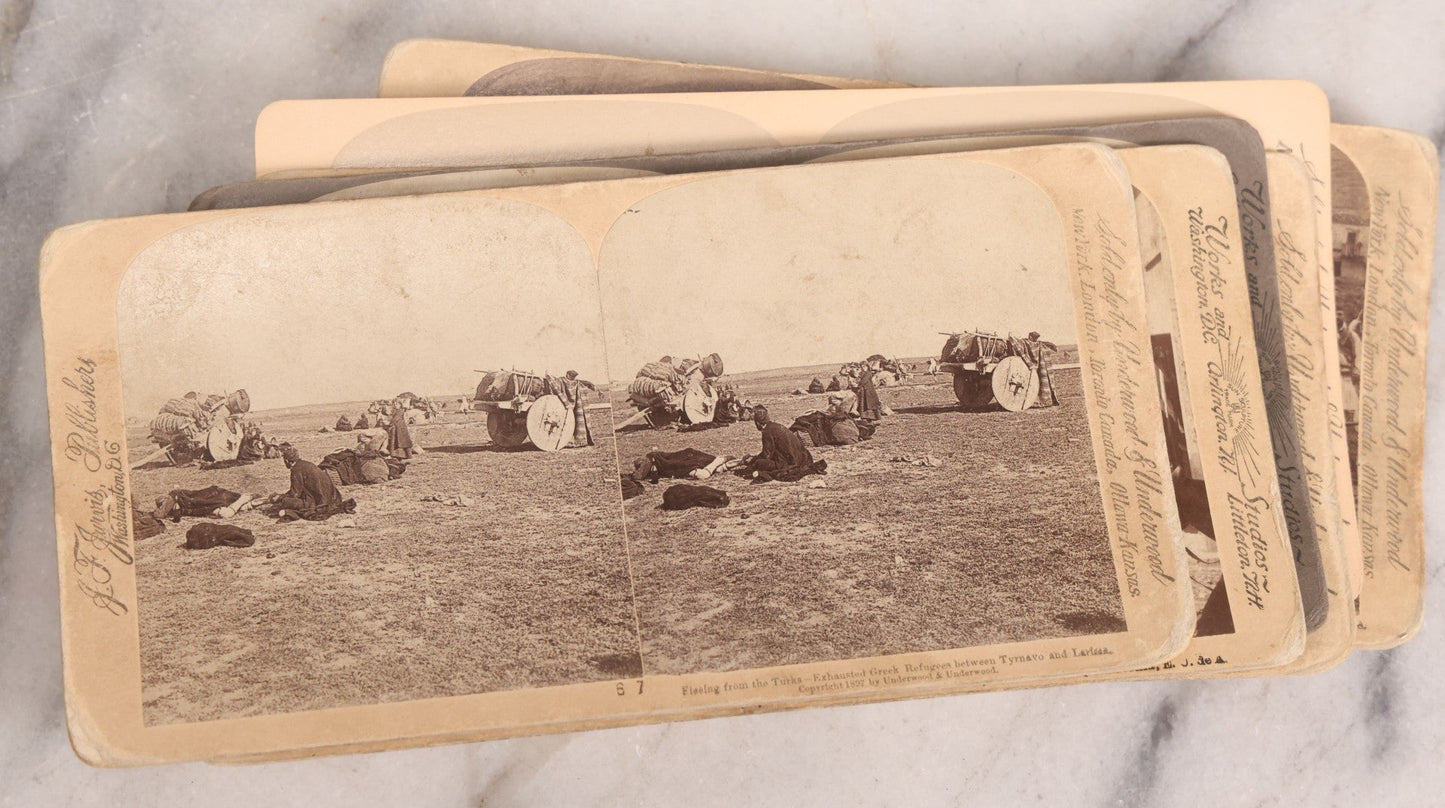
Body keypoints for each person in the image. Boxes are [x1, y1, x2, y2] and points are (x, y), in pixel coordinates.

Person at [273, 444, 354, 521]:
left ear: (287, 460)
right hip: (332, 498)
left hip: (319, 502)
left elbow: (295, 493)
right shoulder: (306, 464)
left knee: (285, 502)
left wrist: (281, 497)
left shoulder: (296, 469)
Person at [745, 406, 826, 481]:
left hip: (792, 463)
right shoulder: (775, 426)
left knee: (759, 463)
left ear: (758, 423)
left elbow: (767, 455)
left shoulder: (767, 431)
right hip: (804, 459)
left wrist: (754, 459)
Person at [856, 355, 884, 421]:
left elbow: (864, 381)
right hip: (865, 391)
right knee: (866, 404)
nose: (863, 368)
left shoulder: (868, 373)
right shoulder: (863, 373)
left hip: (869, 391)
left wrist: (858, 386)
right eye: (861, 367)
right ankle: (866, 416)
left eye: (864, 366)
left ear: (866, 366)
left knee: (872, 404)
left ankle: (875, 417)